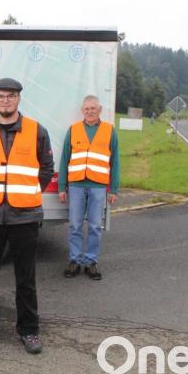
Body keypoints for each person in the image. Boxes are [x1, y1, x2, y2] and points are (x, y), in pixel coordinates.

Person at [0, 78, 54, 355]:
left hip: (25, 216)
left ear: (18, 99)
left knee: (25, 278)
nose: (6, 100)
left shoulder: (37, 131)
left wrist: (25, 195)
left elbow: (46, 169)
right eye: (1, 96)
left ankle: (29, 330)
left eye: (11, 96)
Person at [58, 95, 119, 281]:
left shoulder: (110, 131)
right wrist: (62, 186)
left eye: (93, 108)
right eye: (86, 109)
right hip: (76, 186)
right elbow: (64, 159)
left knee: (94, 226)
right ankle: (75, 261)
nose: (90, 111)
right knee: (75, 225)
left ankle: (91, 262)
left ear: (99, 110)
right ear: (82, 111)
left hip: (98, 187)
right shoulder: (73, 130)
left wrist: (114, 189)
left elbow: (115, 161)